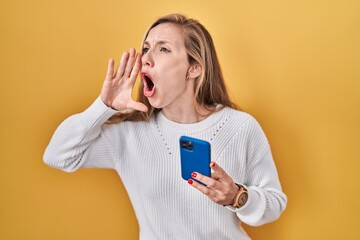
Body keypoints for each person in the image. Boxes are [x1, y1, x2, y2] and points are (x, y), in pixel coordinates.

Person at [43, 13, 287, 240]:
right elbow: (57, 156)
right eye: (146, 48)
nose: (145, 59)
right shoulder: (129, 133)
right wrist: (104, 105)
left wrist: (237, 197)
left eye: (164, 49)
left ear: (194, 68)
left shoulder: (240, 127)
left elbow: (274, 204)